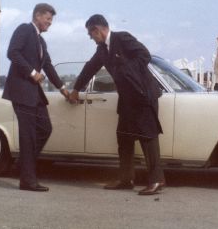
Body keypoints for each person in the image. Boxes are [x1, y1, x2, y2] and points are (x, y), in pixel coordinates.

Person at [69, 14, 165, 196]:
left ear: (98, 30)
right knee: (124, 137)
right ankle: (126, 179)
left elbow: (144, 55)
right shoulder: (102, 50)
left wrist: (125, 70)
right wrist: (75, 89)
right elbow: (90, 68)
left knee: (148, 137)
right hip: (128, 99)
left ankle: (157, 180)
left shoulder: (122, 38)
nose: (91, 37)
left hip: (143, 95)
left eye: (91, 33)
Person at [2, 3, 69, 192]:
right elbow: (12, 52)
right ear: (37, 16)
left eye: (51, 20)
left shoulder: (41, 41)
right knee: (28, 135)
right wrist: (32, 72)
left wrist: (63, 89)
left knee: (45, 129)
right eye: (48, 19)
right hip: (22, 92)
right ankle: (27, 180)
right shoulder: (24, 29)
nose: (50, 23)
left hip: (34, 95)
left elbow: (47, 65)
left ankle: (24, 166)